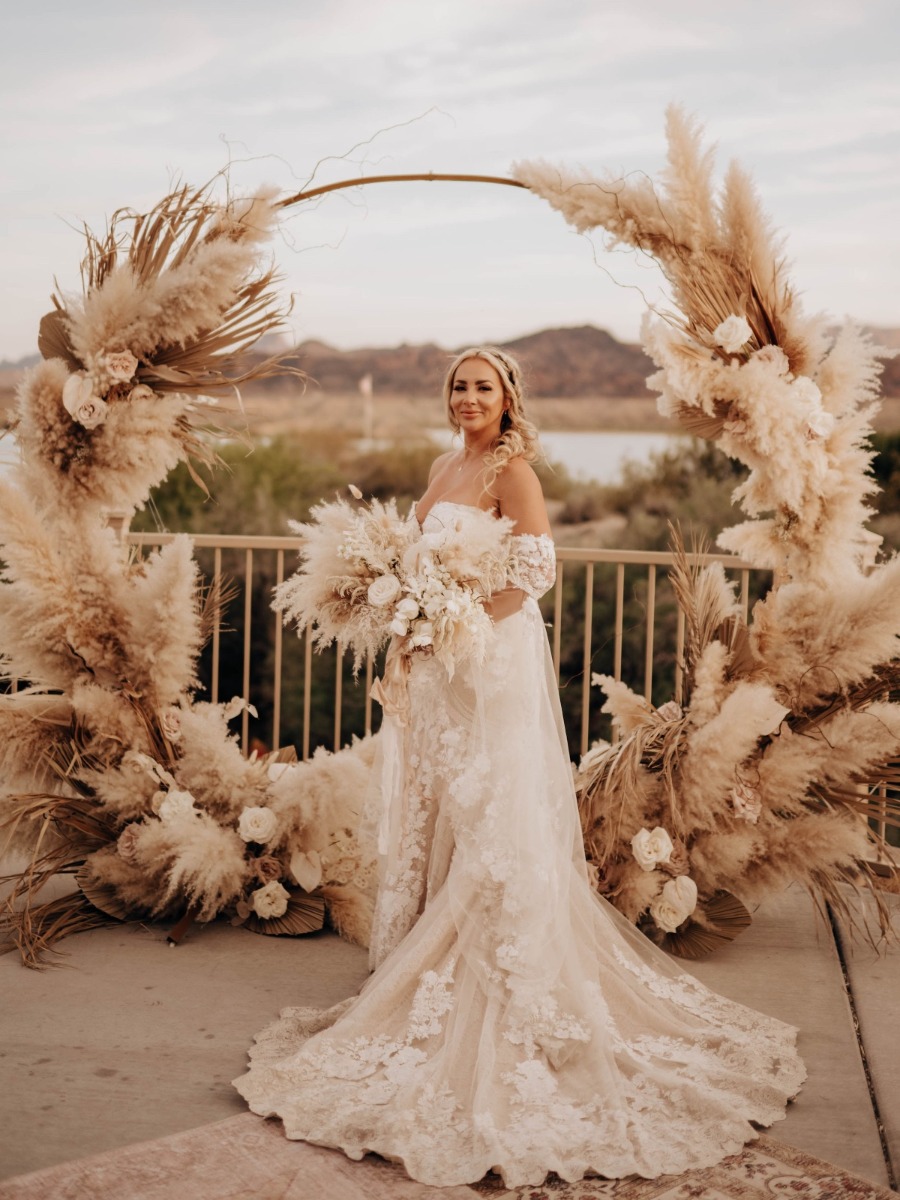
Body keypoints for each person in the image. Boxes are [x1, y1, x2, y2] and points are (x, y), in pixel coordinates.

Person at [234, 347, 805, 1189]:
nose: (470, 398)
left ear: (508, 399)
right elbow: (415, 559)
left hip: (486, 664)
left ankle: (502, 974)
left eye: (484, 387)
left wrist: (449, 617)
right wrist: (406, 613)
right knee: (437, 806)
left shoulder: (515, 469)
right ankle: (423, 958)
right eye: (459, 386)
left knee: (491, 810)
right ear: (448, 397)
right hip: (437, 674)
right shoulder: (442, 464)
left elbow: (537, 570)